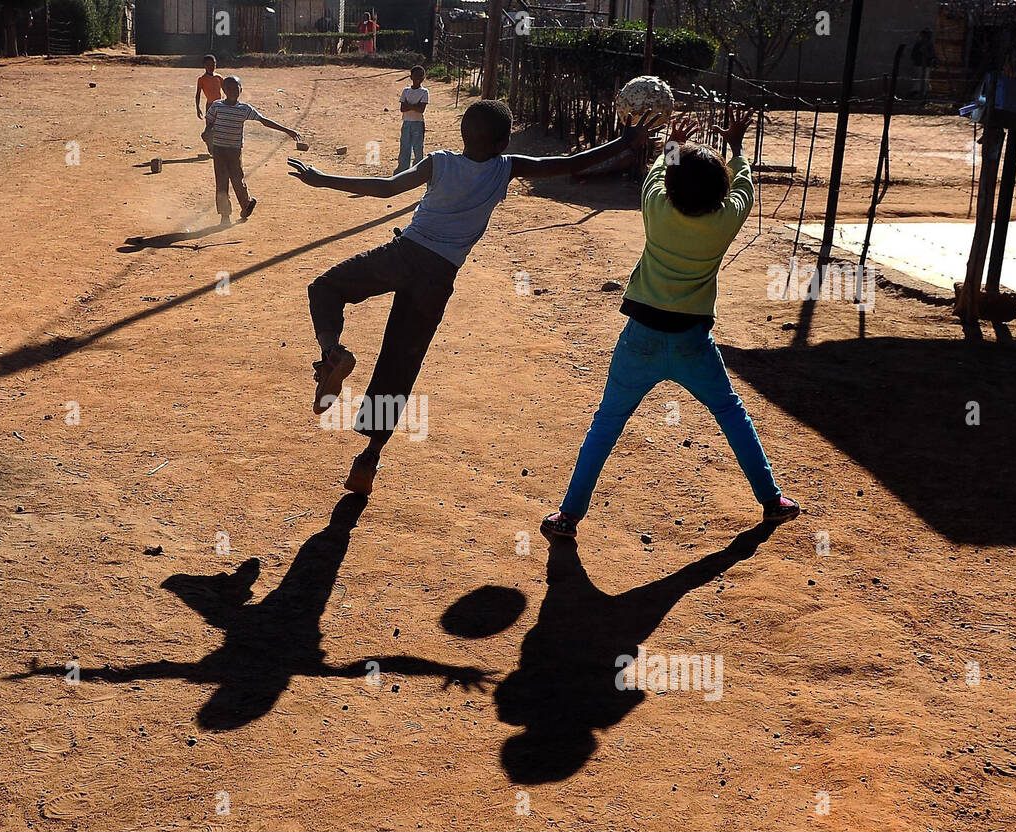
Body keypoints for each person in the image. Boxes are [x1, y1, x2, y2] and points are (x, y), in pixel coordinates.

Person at [287, 101, 660, 495]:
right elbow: (568, 164)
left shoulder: (440, 162)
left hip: (403, 255)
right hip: (438, 279)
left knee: (325, 288)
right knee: (400, 364)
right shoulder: (507, 168)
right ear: (503, 142)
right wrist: (625, 143)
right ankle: (368, 459)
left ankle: (332, 354)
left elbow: (387, 189)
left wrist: (323, 178)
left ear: (463, 134)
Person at [541, 109, 800, 540]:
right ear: (719, 195)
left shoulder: (656, 208)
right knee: (731, 413)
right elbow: (744, 184)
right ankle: (771, 500)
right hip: (692, 342)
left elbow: (659, 173)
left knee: (607, 423)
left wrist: (673, 145)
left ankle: (568, 517)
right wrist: (734, 146)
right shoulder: (726, 220)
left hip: (640, 337)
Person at [206, 76, 301, 224]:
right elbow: (209, 121)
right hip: (219, 149)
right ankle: (225, 216)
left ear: (241, 90)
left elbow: (264, 121)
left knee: (238, 179)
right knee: (222, 182)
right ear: (223, 90)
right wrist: (207, 132)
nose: (232, 91)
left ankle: (246, 205)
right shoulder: (216, 106)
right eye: (229, 88)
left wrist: (287, 130)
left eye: (236, 88)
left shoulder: (244, 109)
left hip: (234, 150)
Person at [396, 66, 430, 174]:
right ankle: (403, 169)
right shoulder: (406, 91)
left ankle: (417, 171)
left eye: (420, 76)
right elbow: (402, 108)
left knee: (417, 147)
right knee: (404, 146)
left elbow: (421, 110)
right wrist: (415, 106)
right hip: (407, 122)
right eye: (416, 75)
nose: (418, 78)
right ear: (411, 77)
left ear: (423, 78)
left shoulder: (424, 92)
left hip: (418, 123)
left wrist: (409, 105)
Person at [194, 54, 223, 156]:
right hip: (210, 106)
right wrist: (197, 108)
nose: (211, 67)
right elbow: (198, 94)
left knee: (219, 128)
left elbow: (227, 90)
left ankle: (215, 148)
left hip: (220, 105)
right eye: (209, 65)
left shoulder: (219, 77)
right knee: (210, 128)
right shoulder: (201, 79)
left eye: (213, 64)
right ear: (204, 66)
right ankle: (211, 147)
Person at [911, 29, 938, 100]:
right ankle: (916, 94)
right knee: (919, 79)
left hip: (926, 66)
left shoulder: (929, 44)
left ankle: (923, 95)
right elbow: (913, 55)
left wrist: (931, 58)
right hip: (919, 65)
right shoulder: (919, 44)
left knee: (925, 80)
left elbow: (932, 55)